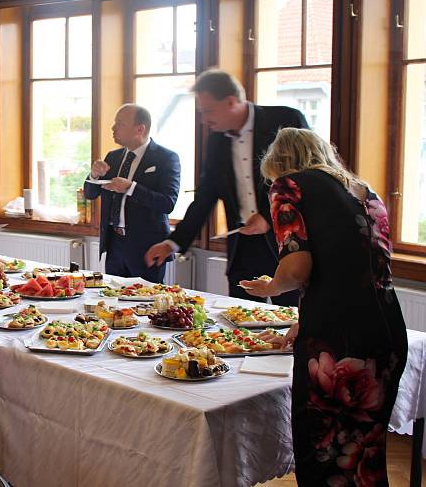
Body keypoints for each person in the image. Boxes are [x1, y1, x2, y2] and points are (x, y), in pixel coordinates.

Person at [239, 127, 407, 486]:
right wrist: (305, 319)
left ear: (282, 164)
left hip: (339, 342)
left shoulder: (289, 186)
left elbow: (298, 269)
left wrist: (271, 285)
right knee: (365, 455)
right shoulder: (366, 192)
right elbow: (355, 268)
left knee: (324, 456)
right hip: (386, 330)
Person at [145, 69, 307, 305]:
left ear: (231, 102)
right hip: (242, 249)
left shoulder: (286, 120)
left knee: (292, 319)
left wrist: (268, 217)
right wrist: (173, 242)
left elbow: (306, 177)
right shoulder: (216, 140)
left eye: (208, 111)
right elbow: (206, 196)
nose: (204, 120)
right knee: (241, 323)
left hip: (288, 244)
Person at [84, 103, 180, 283]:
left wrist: (131, 188)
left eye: (120, 124)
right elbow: (89, 194)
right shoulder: (113, 156)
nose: (113, 128)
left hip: (147, 249)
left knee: (145, 306)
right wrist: (93, 175)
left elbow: (168, 203)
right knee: (114, 304)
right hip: (114, 245)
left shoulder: (166, 158)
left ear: (140, 128)